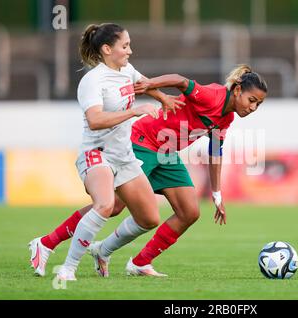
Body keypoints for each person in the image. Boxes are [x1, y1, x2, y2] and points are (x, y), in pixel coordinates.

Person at [29, 64, 267, 278]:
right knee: (112, 206)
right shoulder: (213, 96)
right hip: (144, 142)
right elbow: (180, 80)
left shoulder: (227, 118)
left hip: (167, 153)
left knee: (189, 212)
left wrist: (217, 194)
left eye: (259, 103)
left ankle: (138, 262)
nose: (254, 107)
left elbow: (216, 151)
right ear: (237, 90)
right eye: (252, 99)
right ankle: (46, 243)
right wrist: (150, 84)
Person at [28, 23, 183, 281]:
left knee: (149, 218)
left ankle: (98, 250)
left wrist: (163, 98)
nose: (130, 51)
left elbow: (143, 83)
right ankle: (67, 268)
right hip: (96, 153)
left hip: (123, 156)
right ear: (107, 49)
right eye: (125, 46)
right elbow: (95, 120)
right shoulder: (93, 81)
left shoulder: (126, 70)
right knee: (105, 204)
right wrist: (134, 111)